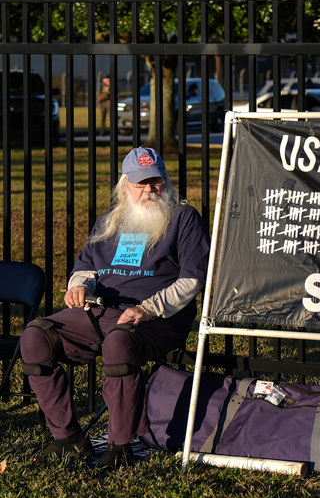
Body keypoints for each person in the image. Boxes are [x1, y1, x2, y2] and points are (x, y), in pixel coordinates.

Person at [22, 147, 211, 471]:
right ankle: (68, 438)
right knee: (36, 338)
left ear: (166, 181)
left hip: (158, 317)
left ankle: (120, 445)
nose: (150, 190)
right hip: (101, 309)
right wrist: (79, 286)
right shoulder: (110, 221)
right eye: (141, 183)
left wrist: (148, 309)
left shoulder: (183, 217)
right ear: (125, 186)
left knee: (118, 342)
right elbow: (86, 267)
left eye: (156, 181)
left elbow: (193, 280)